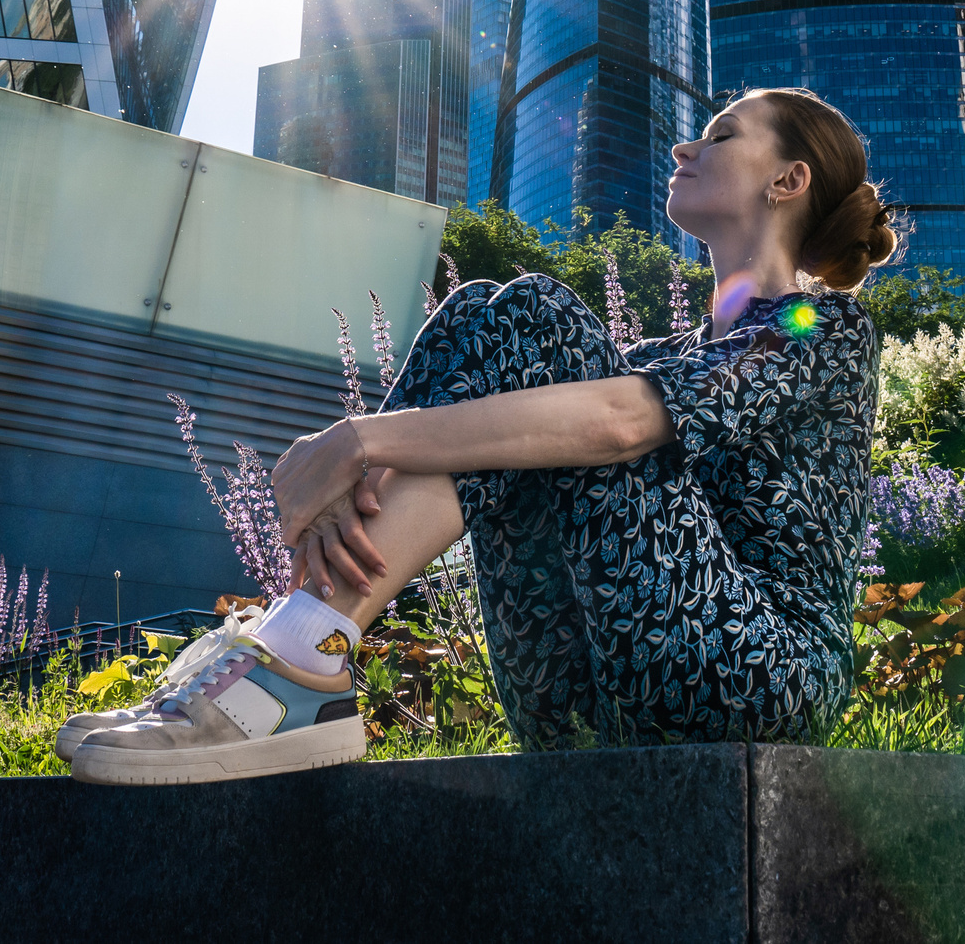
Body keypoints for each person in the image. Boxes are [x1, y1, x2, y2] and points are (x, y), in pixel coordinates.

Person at [61, 87, 893, 783]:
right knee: (480, 318)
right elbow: (570, 425)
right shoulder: (657, 355)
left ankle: (298, 657)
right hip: (578, 689)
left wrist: (356, 440)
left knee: (534, 320)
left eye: (719, 135)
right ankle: (303, 646)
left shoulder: (821, 328)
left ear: (788, 178)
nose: (683, 147)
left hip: (757, 679)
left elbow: (619, 422)